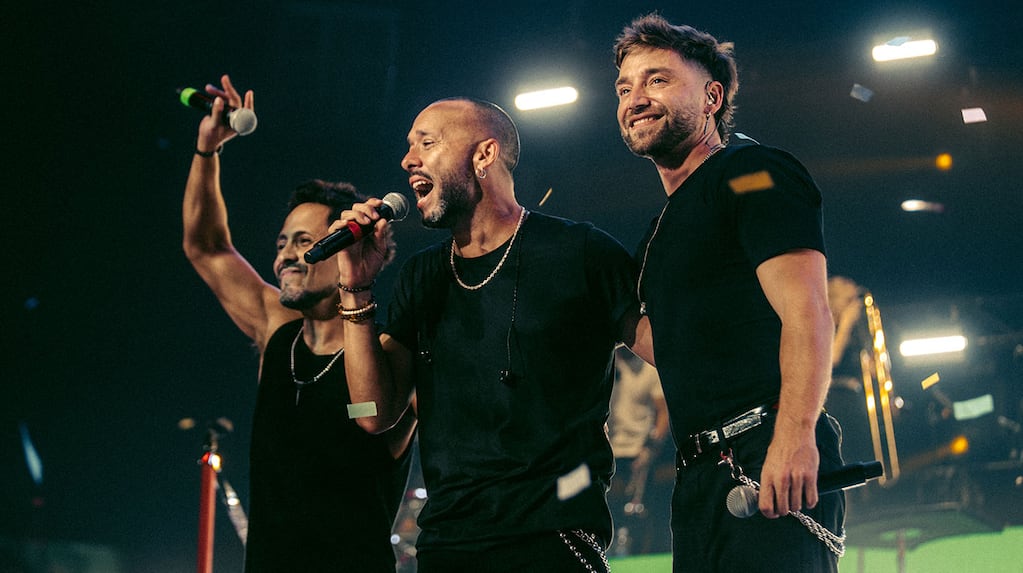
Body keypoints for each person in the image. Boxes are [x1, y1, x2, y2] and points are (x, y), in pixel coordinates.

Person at [328, 97, 644, 572]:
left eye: (426, 143)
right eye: (409, 147)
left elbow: (674, 354)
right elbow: (371, 414)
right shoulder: (422, 276)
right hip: (447, 548)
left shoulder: (579, 252)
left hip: (552, 544)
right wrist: (354, 288)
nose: (408, 160)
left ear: (485, 154)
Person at [612, 14, 846, 572]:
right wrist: (602, 301)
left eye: (657, 80)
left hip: (766, 448)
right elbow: (679, 349)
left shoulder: (750, 172)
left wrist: (794, 435)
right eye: (624, 88)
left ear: (711, 98)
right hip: (699, 473)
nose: (635, 98)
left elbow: (807, 310)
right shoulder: (661, 232)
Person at [181, 74, 415, 572]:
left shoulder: (390, 352)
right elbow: (206, 246)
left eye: (304, 241)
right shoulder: (276, 328)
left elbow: (382, 414)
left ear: (343, 247)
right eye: (282, 243)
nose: (286, 255)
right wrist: (208, 148)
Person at [606, 345, 670, 555]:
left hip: (639, 451)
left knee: (638, 509)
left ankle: (641, 553)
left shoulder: (649, 369)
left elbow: (663, 413)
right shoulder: (607, 365)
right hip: (609, 451)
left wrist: (651, 448)